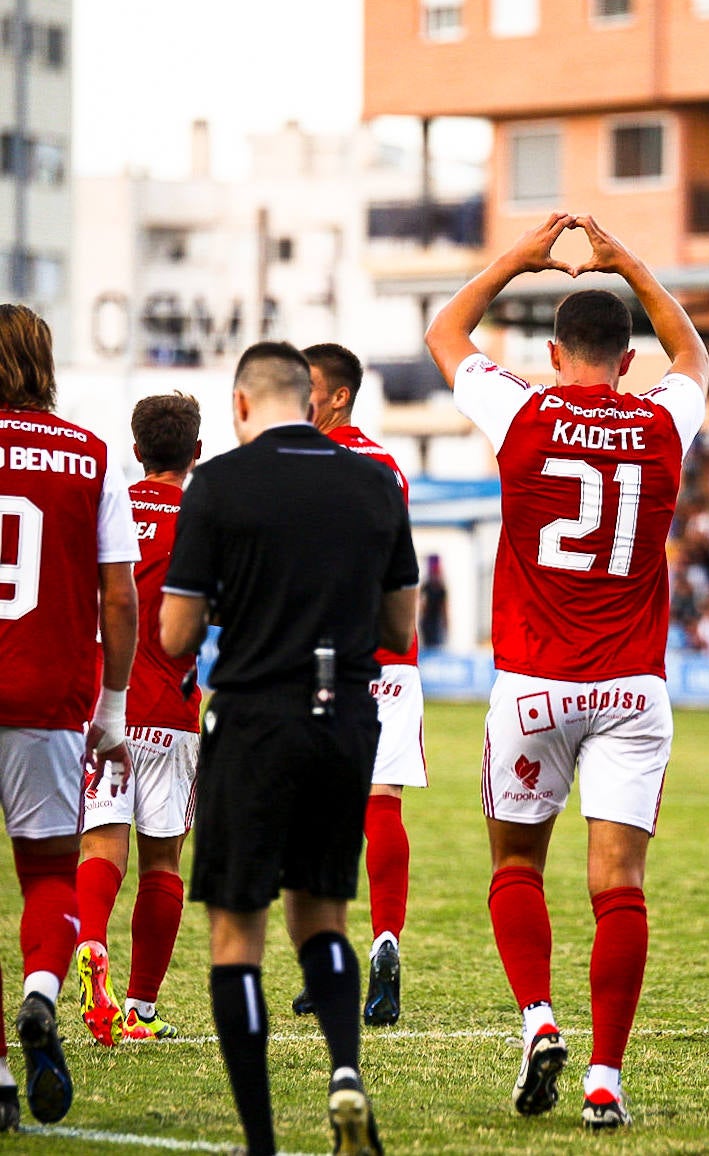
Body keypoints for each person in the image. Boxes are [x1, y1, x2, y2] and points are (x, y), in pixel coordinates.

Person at [425, 212, 709, 1130]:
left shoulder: (523, 407)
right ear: (630, 361)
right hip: (634, 689)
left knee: (516, 863)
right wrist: (626, 259)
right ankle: (605, 1077)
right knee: (619, 884)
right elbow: (694, 353)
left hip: (534, 685)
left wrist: (520, 256)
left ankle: (538, 1017)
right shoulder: (665, 418)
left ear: (554, 353)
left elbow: (443, 331)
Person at [159, 342, 418, 1156]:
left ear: (241, 404)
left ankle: (263, 1139)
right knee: (322, 919)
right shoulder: (376, 481)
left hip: (254, 717)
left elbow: (175, 632)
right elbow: (402, 627)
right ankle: (345, 1073)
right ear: (310, 399)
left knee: (238, 936)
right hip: (343, 717)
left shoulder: (220, 485)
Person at [0, 303, 139, 1126]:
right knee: (49, 872)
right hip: (48, 692)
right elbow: (118, 595)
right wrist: (113, 705)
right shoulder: (90, 455)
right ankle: (42, 991)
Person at [288, 341, 426, 1028]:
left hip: (325, 655)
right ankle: (385, 941)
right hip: (392, 655)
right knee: (383, 802)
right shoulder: (389, 467)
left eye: (304, 386)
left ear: (337, 396)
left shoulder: (303, 464)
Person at [75, 393, 203, 1047]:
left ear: (135, 450)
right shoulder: (203, 516)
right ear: (196, 453)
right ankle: (140, 1010)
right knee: (162, 862)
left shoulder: (108, 502)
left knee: (101, 845)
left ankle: (91, 944)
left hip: (107, 703)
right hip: (174, 711)